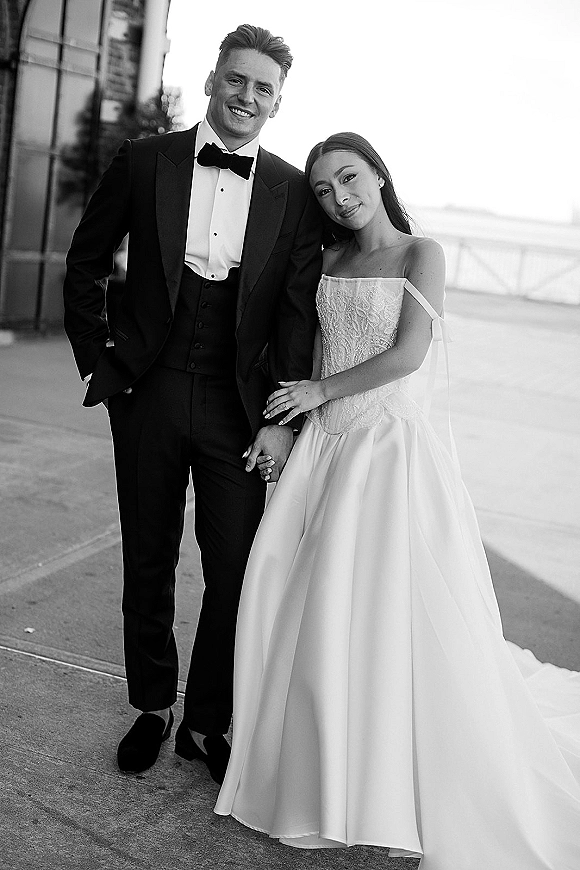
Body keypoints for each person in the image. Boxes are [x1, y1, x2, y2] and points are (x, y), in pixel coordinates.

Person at [214, 133, 580, 868]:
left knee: (383, 608)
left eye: (348, 178)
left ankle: (384, 774)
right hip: (326, 444)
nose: (339, 196)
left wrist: (320, 393)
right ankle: (313, 764)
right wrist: (289, 426)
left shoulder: (423, 254)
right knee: (301, 600)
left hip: (387, 448)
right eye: (323, 189)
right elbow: (315, 349)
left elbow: (409, 354)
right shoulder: (328, 260)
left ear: (378, 174)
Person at [63, 24, 322, 784]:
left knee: (235, 566)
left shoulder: (290, 189)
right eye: (237, 80)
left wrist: (281, 421)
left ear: (277, 102)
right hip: (147, 387)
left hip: (237, 406)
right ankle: (152, 706)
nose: (247, 97)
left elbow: (296, 315)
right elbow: (85, 261)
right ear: (214, 79)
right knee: (147, 559)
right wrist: (96, 366)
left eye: (263, 88)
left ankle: (206, 722)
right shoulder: (147, 160)